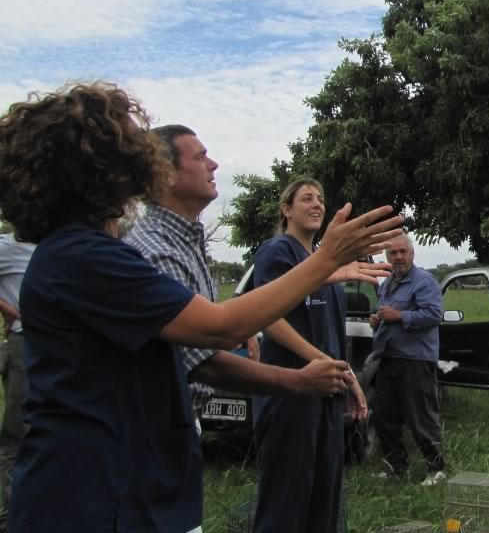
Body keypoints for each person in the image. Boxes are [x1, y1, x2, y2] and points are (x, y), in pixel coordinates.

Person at [0, 83, 402, 533]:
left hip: (131, 486)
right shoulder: (84, 259)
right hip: (92, 497)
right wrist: (329, 257)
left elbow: (198, 360)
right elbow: (218, 328)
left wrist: (296, 381)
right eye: (128, 140)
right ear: (97, 164)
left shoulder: (92, 253)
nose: (142, 149)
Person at [125, 125, 383, 423]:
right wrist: (301, 378)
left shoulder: (184, 242)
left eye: (320, 198)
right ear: (165, 173)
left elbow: (205, 325)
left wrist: (324, 268)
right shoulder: (157, 250)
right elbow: (208, 349)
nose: (214, 164)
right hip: (160, 425)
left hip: (183, 421)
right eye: (200, 157)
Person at [251, 178, 378, 533]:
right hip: (290, 395)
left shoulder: (324, 268)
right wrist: (319, 361)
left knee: (324, 504)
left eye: (321, 198)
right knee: (286, 506)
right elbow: (268, 317)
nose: (317, 204)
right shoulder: (277, 251)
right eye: (306, 198)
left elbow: (334, 339)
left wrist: (347, 377)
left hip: (325, 397)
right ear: (286, 209)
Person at [368, 233, 446, 485]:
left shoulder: (424, 282)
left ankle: (437, 469)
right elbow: (386, 316)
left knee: (420, 416)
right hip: (388, 358)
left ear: (412, 254)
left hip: (416, 359)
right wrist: (376, 321)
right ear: (386, 256)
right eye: (393, 253)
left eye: (403, 252)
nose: (398, 257)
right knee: (384, 415)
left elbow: (434, 315)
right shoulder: (387, 284)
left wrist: (399, 316)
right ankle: (395, 467)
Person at [0, 235, 33, 533]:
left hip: (61, 345)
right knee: (16, 434)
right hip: (24, 344)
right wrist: (8, 309)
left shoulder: (56, 243)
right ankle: (11, 517)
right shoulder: (6, 246)